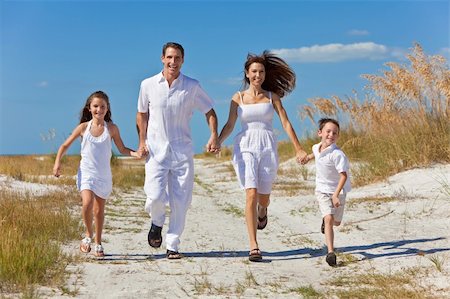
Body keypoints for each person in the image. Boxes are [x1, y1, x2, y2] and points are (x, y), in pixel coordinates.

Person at [217, 51, 307, 262]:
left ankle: (262, 212)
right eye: (254, 71)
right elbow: (230, 124)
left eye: (261, 71)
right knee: (251, 192)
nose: (258, 75)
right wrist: (218, 141)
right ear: (247, 74)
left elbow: (285, 123)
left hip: (267, 146)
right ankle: (253, 245)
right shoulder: (237, 98)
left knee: (263, 197)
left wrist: (298, 148)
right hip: (245, 146)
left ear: (265, 74)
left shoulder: (271, 97)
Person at [136, 42, 220, 259]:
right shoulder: (148, 85)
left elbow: (209, 111)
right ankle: (156, 222)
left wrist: (213, 135)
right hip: (156, 151)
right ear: (162, 58)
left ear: (183, 60)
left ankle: (173, 244)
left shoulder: (191, 86)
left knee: (181, 200)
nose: (173, 62)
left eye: (178, 58)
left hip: (182, 151)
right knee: (154, 196)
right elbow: (142, 114)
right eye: (170, 57)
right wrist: (142, 141)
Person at [53, 91, 139, 257]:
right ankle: (87, 235)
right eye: (95, 106)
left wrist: (135, 154)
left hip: (103, 175)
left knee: (99, 211)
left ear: (107, 109)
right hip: (86, 172)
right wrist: (57, 163)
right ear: (89, 108)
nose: (99, 109)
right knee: (87, 202)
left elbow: (122, 149)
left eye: (102, 106)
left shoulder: (112, 129)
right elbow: (64, 146)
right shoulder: (83, 128)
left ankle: (98, 242)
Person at [301, 118, 351, 266]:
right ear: (320, 133)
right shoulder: (316, 147)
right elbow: (314, 154)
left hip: (338, 191)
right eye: (328, 131)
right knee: (329, 219)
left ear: (338, 136)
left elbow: (344, 175)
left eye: (335, 133)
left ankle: (327, 221)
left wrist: (336, 195)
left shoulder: (337, 154)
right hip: (322, 190)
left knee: (336, 222)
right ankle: (330, 252)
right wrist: (307, 158)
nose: (331, 135)